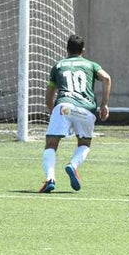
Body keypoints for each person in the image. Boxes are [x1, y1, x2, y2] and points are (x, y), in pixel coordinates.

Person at [39, 34, 112, 193]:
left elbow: (49, 96)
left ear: (67, 49)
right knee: (84, 144)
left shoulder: (58, 66)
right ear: (83, 51)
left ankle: (50, 178)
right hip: (86, 109)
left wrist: (54, 113)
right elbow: (106, 78)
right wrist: (104, 105)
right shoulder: (91, 65)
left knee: (51, 144)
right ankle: (73, 165)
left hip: (64, 107)